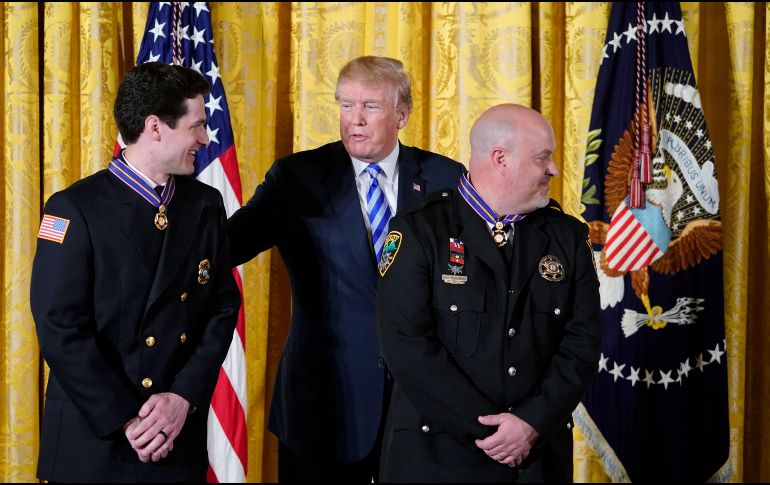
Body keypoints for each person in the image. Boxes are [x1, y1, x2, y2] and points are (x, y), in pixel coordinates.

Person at [227, 55, 464, 482]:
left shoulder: (445, 178)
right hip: (323, 403)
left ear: (402, 114)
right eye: (345, 104)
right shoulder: (297, 177)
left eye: (371, 106)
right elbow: (230, 244)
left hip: (420, 404)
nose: (355, 119)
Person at [30, 62, 241, 482]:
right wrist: (131, 420)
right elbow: (60, 327)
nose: (205, 138)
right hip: (98, 440)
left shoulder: (205, 204)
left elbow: (221, 308)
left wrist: (182, 397)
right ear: (156, 127)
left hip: (173, 435)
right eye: (196, 126)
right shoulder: (73, 209)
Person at [376, 104, 602, 482]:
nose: (553, 169)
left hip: (535, 460)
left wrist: (530, 424)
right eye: (542, 158)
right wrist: (494, 434)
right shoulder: (420, 231)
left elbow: (582, 343)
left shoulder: (566, 236)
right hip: (438, 459)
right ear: (500, 159)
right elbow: (406, 346)